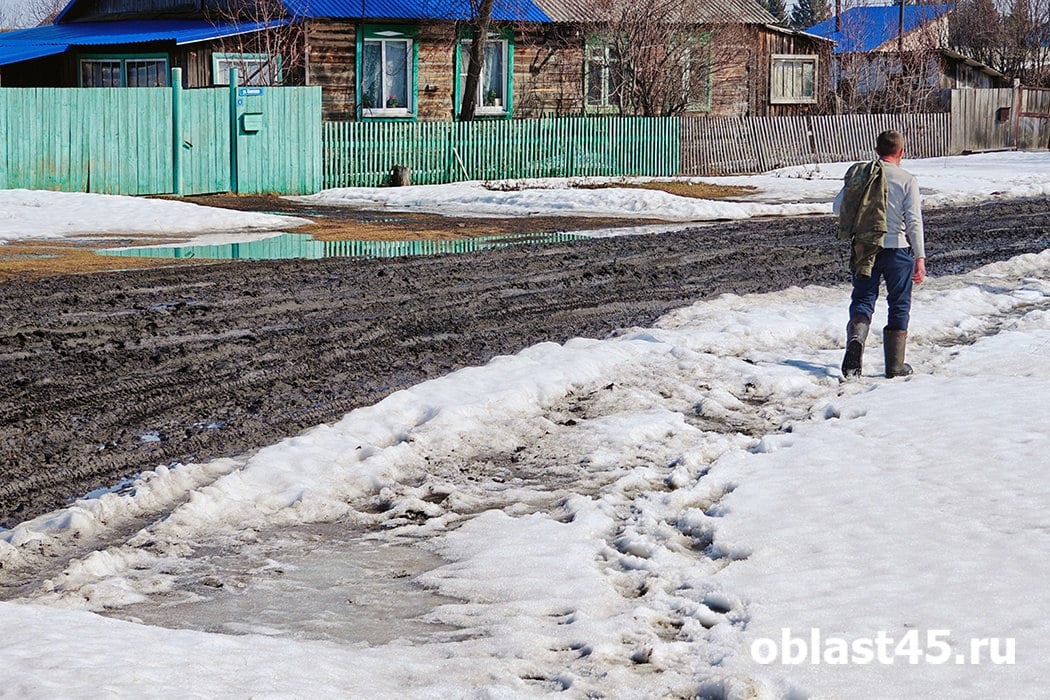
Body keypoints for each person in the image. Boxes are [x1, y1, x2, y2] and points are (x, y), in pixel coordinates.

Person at [833, 129, 926, 379]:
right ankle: (895, 366)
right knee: (899, 303)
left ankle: (856, 343)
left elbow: (837, 207)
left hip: (866, 247)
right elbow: (914, 221)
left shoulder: (863, 175)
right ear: (901, 152)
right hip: (898, 249)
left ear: (876, 150)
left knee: (863, 299)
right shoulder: (907, 180)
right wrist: (920, 256)